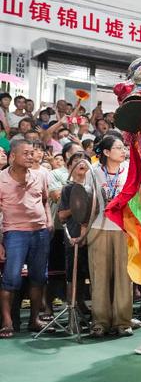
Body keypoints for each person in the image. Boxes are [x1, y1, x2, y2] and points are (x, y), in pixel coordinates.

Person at [0, 139, 53, 338]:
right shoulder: (1, 179)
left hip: (40, 232)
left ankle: (34, 319)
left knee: (39, 278)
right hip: (14, 234)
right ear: (13, 156)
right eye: (26, 153)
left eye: (32, 153)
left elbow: (46, 200)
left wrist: (48, 221)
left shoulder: (40, 175)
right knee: (11, 279)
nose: (31, 156)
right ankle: (7, 322)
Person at [88, 136, 132, 338]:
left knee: (124, 276)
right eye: (118, 148)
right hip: (98, 227)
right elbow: (86, 201)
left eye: (124, 148)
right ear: (106, 153)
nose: (123, 151)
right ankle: (99, 321)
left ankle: (123, 321)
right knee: (99, 275)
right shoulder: (93, 171)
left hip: (124, 229)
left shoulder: (130, 169)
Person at [57, 152, 91, 318]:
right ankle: (74, 306)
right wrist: (77, 207)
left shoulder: (94, 186)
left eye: (84, 161)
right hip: (74, 235)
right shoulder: (68, 189)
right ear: (69, 166)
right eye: (76, 161)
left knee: (92, 272)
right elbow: (61, 215)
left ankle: (89, 305)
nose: (81, 164)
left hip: (94, 236)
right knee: (74, 272)